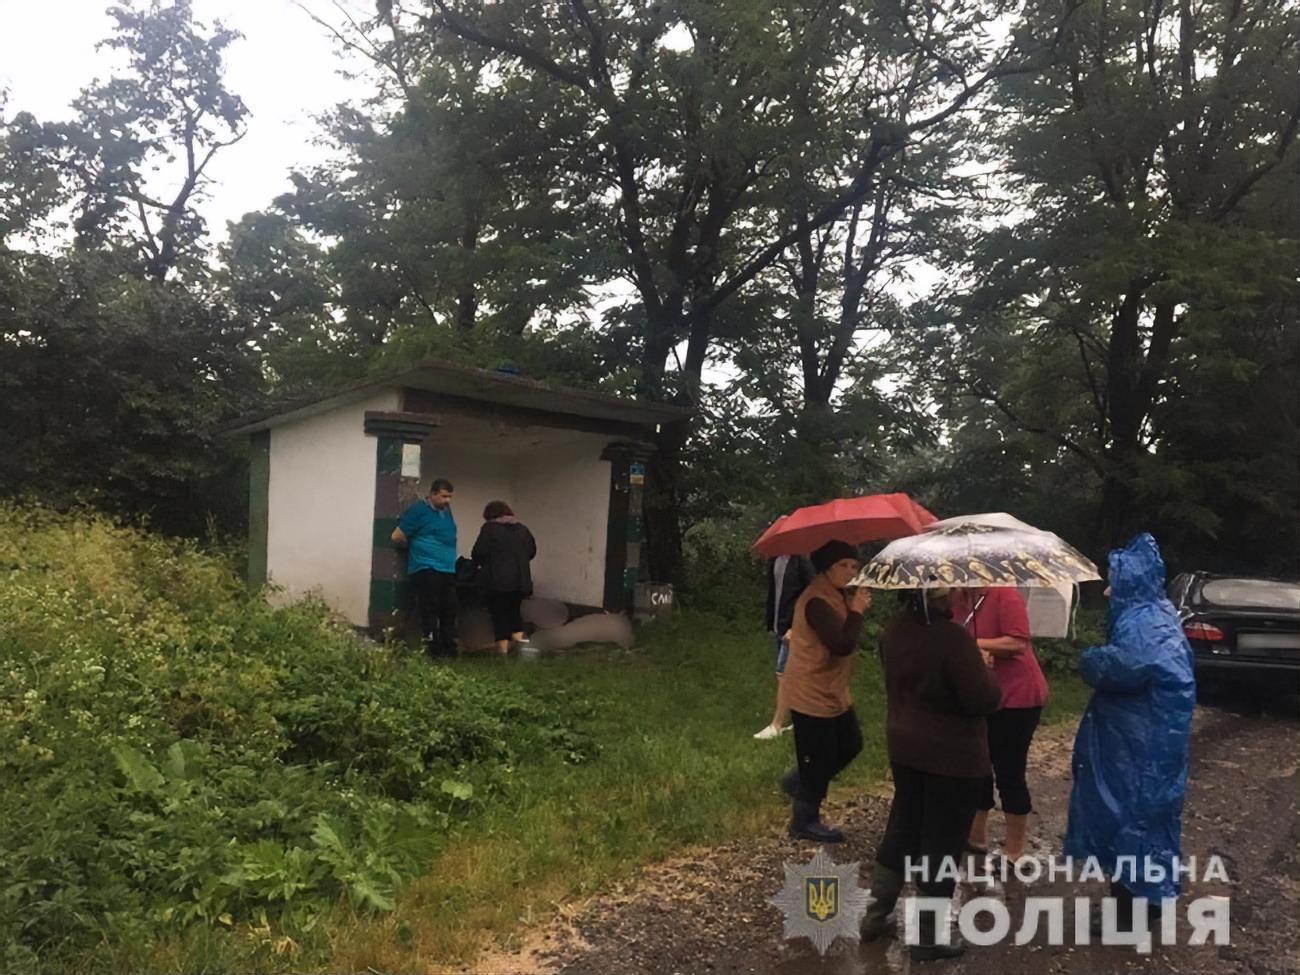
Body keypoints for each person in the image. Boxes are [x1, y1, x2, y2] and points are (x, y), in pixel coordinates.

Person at [859, 586, 1003, 962]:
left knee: (902, 829)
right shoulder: (952, 638)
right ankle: (927, 937)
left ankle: (875, 917)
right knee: (941, 847)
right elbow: (983, 700)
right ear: (937, 595)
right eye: (952, 589)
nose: (957, 595)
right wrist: (984, 668)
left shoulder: (894, 629)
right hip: (952, 759)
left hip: (905, 749)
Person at [1064, 533, 1195, 933]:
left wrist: (1090, 660)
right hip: (1147, 736)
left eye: (1112, 582)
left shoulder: (1143, 622)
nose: (1106, 590)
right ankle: (1143, 906)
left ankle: (1133, 915)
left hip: (1141, 741)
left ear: (1129, 583)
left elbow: (1130, 666)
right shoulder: (1151, 614)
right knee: (1141, 816)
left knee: (1131, 817)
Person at [949, 585, 1050, 864]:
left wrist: (977, 645)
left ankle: (1014, 849)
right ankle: (976, 837)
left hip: (1018, 696)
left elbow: (1018, 642)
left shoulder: (1005, 595)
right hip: (982, 694)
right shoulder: (959, 598)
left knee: (1009, 771)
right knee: (978, 765)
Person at [781, 540, 872, 843]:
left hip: (833, 689)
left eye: (854, 567)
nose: (850, 572)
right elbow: (841, 643)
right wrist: (857, 612)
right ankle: (804, 820)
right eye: (843, 566)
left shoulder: (836, 594)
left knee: (850, 743)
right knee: (817, 757)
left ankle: (798, 782)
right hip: (811, 689)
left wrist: (853, 607)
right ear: (826, 568)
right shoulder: (817, 600)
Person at [391, 478, 458, 658]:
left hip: (447, 568)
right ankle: (432, 648)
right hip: (426, 567)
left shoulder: (446, 511)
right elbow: (397, 536)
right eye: (444, 496)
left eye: (450, 497)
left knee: (449, 608)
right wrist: (415, 548)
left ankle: (448, 646)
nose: (447, 501)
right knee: (430, 608)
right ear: (433, 494)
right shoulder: (419, 510)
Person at [755, 554, 815, 740]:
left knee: (784, 674)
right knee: (797, 675)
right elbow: (775, 592)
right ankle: (805, 718)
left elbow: (811, 595)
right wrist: (770, 622)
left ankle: (777, 724)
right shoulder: (775, 559)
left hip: (794, 628)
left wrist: (796, 627)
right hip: (779, 626)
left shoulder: (801, 561)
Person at [471, 500, 538, 655]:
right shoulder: (522, 529)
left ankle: (503, 654)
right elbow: (532, 551)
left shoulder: (489, 529)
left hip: (497, 582)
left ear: (490, 516)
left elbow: (478, 553)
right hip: (520, 582)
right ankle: (523, 651)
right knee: (515, 615)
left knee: (499, 616)